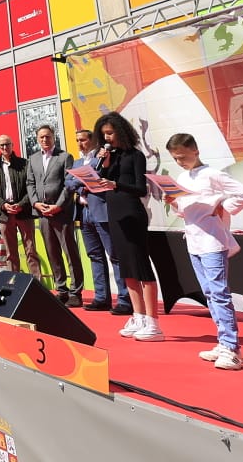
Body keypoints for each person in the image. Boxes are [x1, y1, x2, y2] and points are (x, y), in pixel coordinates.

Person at [164, 133, 243, 370]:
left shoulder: (212, 174)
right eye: (175, 159)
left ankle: (232, 348)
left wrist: (223, 206)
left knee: (219, 293)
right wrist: (173, 201)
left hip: (213, 241)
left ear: (195, 151)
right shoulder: (183, 176)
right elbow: (185, 211)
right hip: (193, 240)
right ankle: (223, 342)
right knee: (209, 293)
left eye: (183, 157)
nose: (180, 162)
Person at [96, 112, 163, 341]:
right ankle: (138, 315)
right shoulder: (110, 157)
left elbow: (140, 188)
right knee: (126, 269)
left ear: (120, 131)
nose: (107, 138)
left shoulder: (135, 155)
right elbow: (99, 179)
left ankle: (153, 322)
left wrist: (116, 183)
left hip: (132, 213)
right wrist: (104, 162)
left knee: (141, 266)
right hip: (114, 215)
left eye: (110, 133)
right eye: (104, 134)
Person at [68, 125, 132, 315]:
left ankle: (124, 298)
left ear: (93, 140)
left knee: (113, 254)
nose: (80, 143)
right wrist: (83, 184)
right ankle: (101, 297)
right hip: (84, 212)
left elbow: (104, 178)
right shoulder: (78, 162)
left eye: (84, 139)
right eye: (78, 140)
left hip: (101, 210)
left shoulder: (101, 157)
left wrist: (85, 182)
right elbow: (68, 182)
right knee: (94, 255)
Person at [25, 124, 85, 307]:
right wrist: (35, 203)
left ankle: (76, 291)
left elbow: (69, 185)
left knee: (70, 252)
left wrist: (58, 206)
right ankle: (62, 289)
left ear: (54, 137)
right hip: (42, 214)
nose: (45, 140)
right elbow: (30, 183)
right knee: (52, 253)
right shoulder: (33, 159)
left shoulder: (64, 157)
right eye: (41, 137)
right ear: (37, 139)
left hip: (61, 213)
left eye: (48, 136)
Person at [0, 135, 43, 278]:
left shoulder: (25, 163)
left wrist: (21, 204)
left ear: (12, 145)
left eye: (7, 144)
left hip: (24, 212)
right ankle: (14, 283)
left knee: (30, 249)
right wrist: (3, 204)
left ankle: (36, 283)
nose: (5, 148)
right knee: (10, 253)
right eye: (1, 145)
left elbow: (31, 186)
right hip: (5, 214)